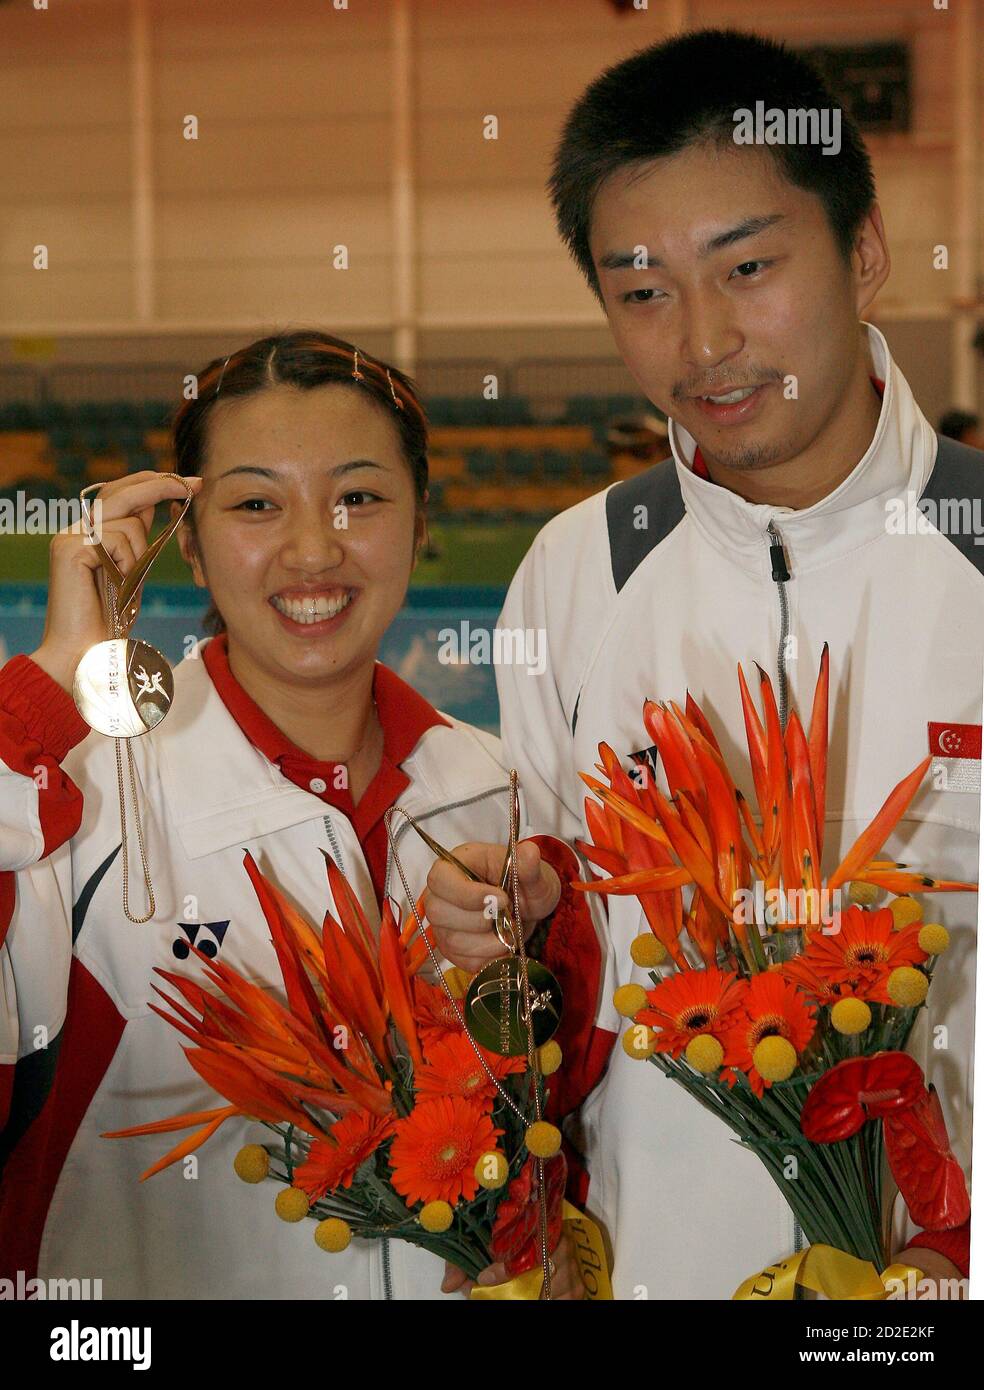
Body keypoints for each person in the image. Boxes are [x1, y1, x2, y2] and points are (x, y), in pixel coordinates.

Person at [424, 29, 983, 1298]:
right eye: (643, 291)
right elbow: (557, 979)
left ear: (865, 252)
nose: (704, 339)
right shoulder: (577, 571)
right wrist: (503, 921)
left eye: (749, 267)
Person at [0, 330, 591, 1300]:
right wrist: (56, 679)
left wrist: (541, 1242)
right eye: (256, 504)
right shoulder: (72, 800)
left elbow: (555, 1123)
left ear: (420, 521)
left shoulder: (499, 796)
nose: (314, 549)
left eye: (358, 497)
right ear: (189, 543)